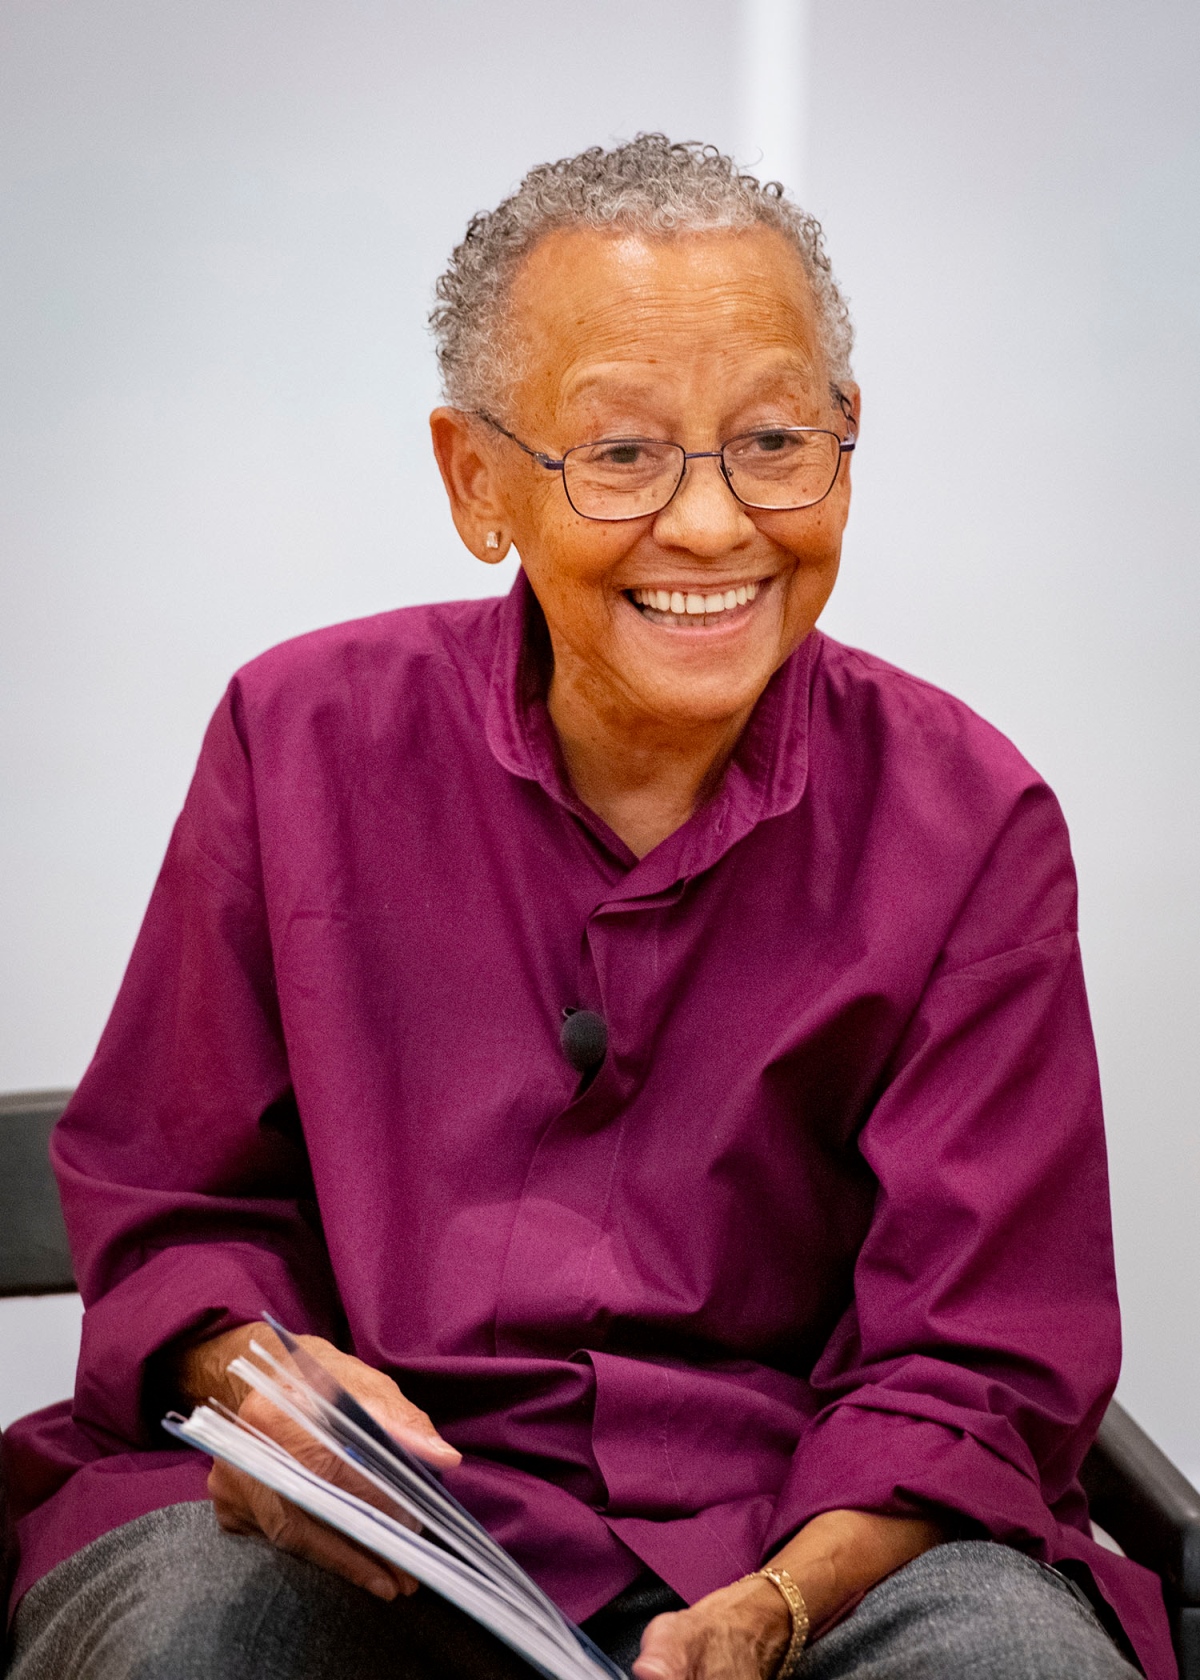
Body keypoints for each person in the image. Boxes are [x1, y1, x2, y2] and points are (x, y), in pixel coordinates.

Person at [2, 135, 1174, 1680]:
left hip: (802, 1536)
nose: (710, 526)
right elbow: (178, 1206)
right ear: (475, 480)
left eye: (773, 440)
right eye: (620, 454)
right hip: (368, 1519)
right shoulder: (299, 743)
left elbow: (972, 1357)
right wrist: (266, 1390)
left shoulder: (973, 821)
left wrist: (777, 1610)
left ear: (848, 441)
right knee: (188, 1639)